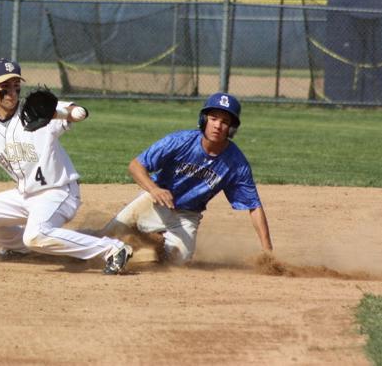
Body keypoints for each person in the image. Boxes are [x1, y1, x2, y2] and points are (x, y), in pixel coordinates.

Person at [0, 58, 133, 275]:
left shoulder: (37, 111)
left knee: (35, 234)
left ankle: (112, 249)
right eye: (4, 86)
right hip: (25, 196)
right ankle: (20, 249)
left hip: (59, 191)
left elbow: (77, 112)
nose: (12, 92)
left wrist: (68, 113)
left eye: (15, 86)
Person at [101, 92, 273, 265]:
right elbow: (135, 166)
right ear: (204, 120)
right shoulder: (180, 141)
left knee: (177, 262)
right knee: (106, 239)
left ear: (231, 128)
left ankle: (153, 243)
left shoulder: (236, 163)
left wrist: (268, 252)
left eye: (225, 122)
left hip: (187, 216)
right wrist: (154, 189)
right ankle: (141, 239)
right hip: (155, 203)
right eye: (213, 119)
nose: (218, 126)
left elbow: (254, 206)